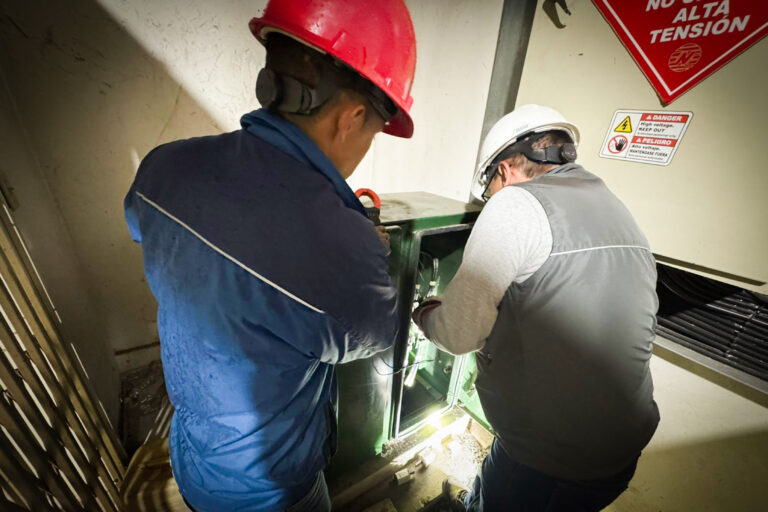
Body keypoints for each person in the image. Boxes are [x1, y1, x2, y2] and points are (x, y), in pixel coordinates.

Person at [123, 1, 416, 510]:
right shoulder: (345, 248)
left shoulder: (162, 169)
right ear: (351, 117)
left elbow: (144, 230)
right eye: (373, 132)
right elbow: (373, 336)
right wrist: (365, 250)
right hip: (271, 493)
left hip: (193, 460)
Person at [413, 104, 660, 512]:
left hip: (554, 462)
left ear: (505, 170)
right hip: (620, 448)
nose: (491, 200)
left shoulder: (516, 204)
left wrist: (424, 314)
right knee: (499, 474)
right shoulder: (617, 210)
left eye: (488, 189)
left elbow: (458, 335)